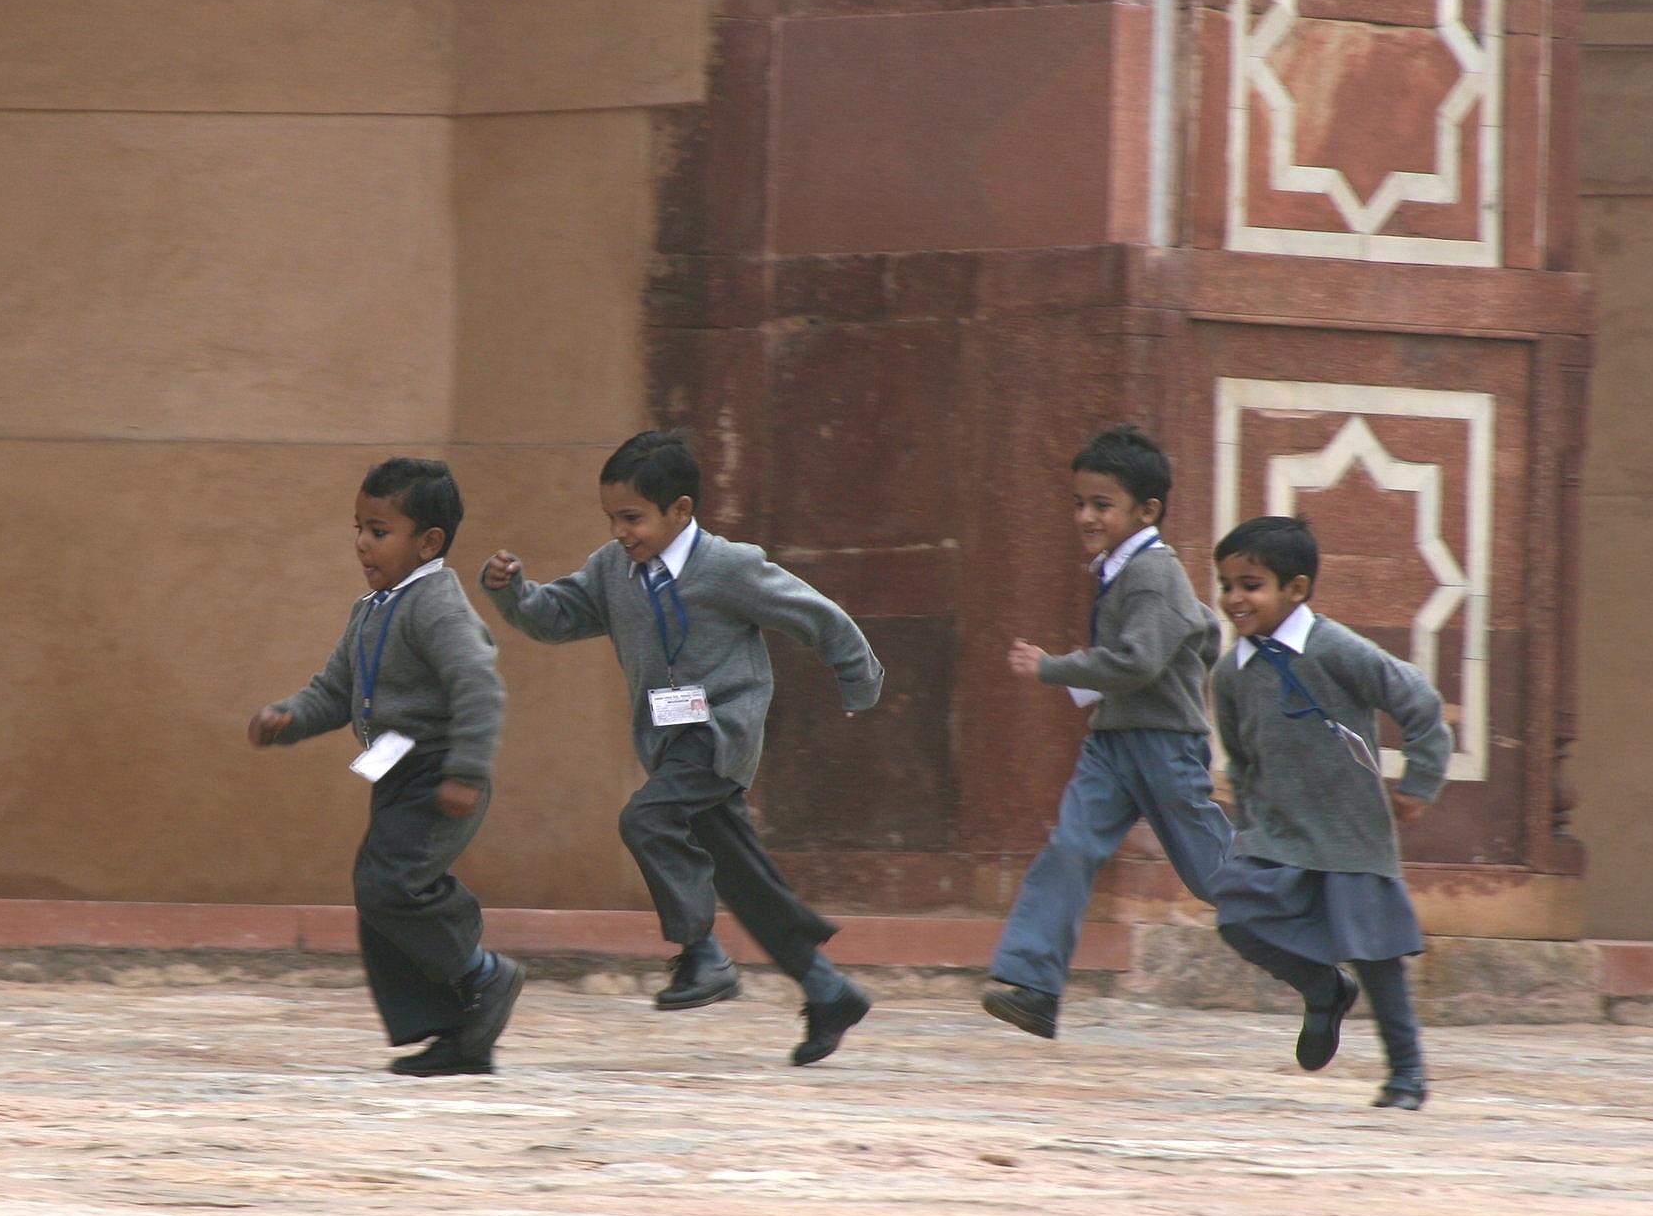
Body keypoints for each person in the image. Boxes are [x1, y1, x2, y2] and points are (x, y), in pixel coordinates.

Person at [480, 429, 884, 1066]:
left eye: (633, 518)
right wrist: (512, 592)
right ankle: (826, 989)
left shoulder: (728, 566)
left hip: (720, 733)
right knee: (739, 875)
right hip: (668, 743)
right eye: (612, 518)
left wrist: (859, 679)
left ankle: (702, 955)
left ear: (681, 511)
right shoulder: (615, 570)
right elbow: (557, 615)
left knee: (646, 818)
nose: (620, 532)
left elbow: (815, 614)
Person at [250, 458, 524, 1077]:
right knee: (380, 892)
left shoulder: (437, 607)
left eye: (379, 530)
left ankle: (484, 975)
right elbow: (335, 691)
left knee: (390, 884)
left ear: (427, 542)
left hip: (440, 772)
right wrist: (288, 719)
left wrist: (467, 771)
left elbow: (480, 688)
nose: (361, 543)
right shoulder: (372, 609)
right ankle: (458, 1037)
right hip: (399, 774)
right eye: (358, 527)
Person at [980, 426, 1235, 1040]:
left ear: (1146, 510)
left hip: (1163, 744)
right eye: (1079, 503)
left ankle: (1316, 955)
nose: (1086, 516)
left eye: (1101, 505)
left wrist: (1053, 666)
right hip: (1115, 742)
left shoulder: (1153, 571)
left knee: (1216, 874)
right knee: (1071, 846)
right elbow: (1198, 630)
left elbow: (1137, 661)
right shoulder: (1126, 570)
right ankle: (1035, 987)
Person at [1207, 515, 1451, 1109]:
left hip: (1350, 835)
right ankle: (1322, 988)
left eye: (1251, 584)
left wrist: (1418, 784)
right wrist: (1248, 820)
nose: (1235, 598)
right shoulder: (1229, 673)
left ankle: (1406, 1075)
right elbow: (1240, 756)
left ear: (1296, 589)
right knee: (1238, 918)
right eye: (1227, 584)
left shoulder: (1335, 648)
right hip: (1279, 835)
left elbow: (1417, 700)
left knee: (1378, 959)